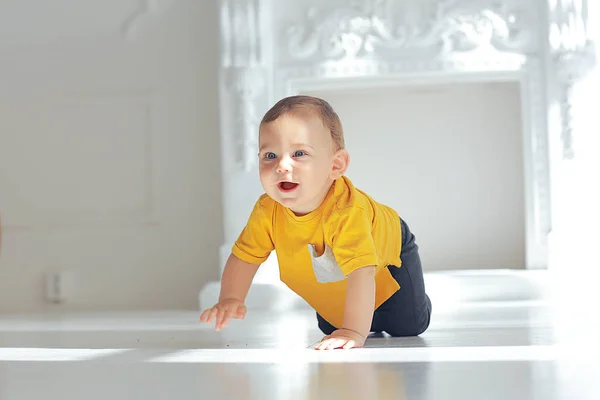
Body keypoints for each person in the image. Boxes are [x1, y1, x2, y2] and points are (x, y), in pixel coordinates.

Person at [200, 95, 432, 350]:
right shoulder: (267, 211)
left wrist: (353, 331)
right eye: (270, 155)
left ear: (336, 165)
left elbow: (362, 271)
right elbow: (245, 256)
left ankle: (408, 302)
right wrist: (231, 297)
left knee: (406, 325)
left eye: (299, 153)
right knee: (331, 326)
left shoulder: (347, 213)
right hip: (334, 275)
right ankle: (363, 318)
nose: (281, 165)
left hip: (389, 254)